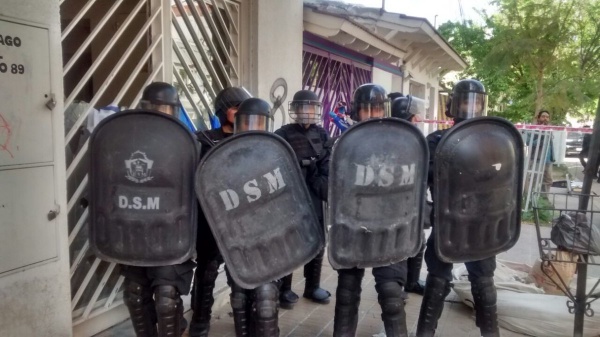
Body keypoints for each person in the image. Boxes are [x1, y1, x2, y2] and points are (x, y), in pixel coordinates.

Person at [416, 79, 500, 337]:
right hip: (448, 218)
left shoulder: (493, 141)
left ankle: (490, 333)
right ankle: (425, 332)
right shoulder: (437, 140)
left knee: (483, 277)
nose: (470, 107)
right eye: (465, 101)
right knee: (438, 275)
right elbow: (427, 175)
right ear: (454, 105)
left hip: (481, 220)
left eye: (475, 101)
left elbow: (502, 177)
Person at [332, 84, 410, 337]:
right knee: (347, 291)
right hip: (353, 224)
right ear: (356, 112)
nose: (372, 114)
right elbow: (328, 185)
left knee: (391, 293)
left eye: (377, 109)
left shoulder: (402, 143)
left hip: (389, 225)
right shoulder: (341, 144)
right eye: (367, 109)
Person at [122, 82, 196, 337]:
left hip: (171, 234)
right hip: (136, 231)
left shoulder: (188, 143)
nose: (160, 113)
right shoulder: (127, 142)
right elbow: (113, 178)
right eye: (156, 108)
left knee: (167, 298)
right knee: (134, 293)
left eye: (166, 108)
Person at [189, 87, 252, 337]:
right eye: (236, 107)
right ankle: (200, 320)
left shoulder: (250, 139)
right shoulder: (203, 139)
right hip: (211, 218)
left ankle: (243, 323)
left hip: (240, 218)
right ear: (223, 111)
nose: (240, 113)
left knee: (239, 274)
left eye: (243, 108)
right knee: (206, 272)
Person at [227, 97, 281, 337]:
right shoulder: (226, 156)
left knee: (266, 299)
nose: (252, 128)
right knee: (239, 297)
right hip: (238, 237)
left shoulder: (277, 153)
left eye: (258, 123)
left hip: (269, 238)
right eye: (247, 123)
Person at [274, 90, 331, 309]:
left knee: (318, 240)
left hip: (315, 195)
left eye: (311, 108)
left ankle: (312, 285)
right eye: (303, 108)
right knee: (290, 241)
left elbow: (328, 160)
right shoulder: (283, 133)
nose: (307, 112)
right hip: (291, 196)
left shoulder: (322, 134)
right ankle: (285, 288)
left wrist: (320, 176)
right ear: (296, 110)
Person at [390, 95, 426, 296]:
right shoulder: (391, 139)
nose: (416, 121)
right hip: (394, 202)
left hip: (412, 200)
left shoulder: (414, 139)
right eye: (413, 117)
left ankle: (411, 282)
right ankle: (397, 287)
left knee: (418, 241)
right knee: (398, 245)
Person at [534, 110, 555, 192]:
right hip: (536, 159)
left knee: (548, 180)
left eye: (547, 117)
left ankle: (544, 199)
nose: (545, 118)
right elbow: (529, 142)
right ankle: (531, 199)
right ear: (539, 118)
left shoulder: (550, 129)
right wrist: (542, 136)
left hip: (548, 159)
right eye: (543, 116)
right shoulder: (533, 128)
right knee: (534, 179)